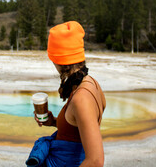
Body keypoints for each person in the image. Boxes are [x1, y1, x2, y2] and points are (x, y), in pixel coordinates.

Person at [26, 21, 106, 167]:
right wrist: (55, 122)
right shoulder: (89, 82)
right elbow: (77, 131)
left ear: (59, 59)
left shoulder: (81, 98)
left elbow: (95, 161)